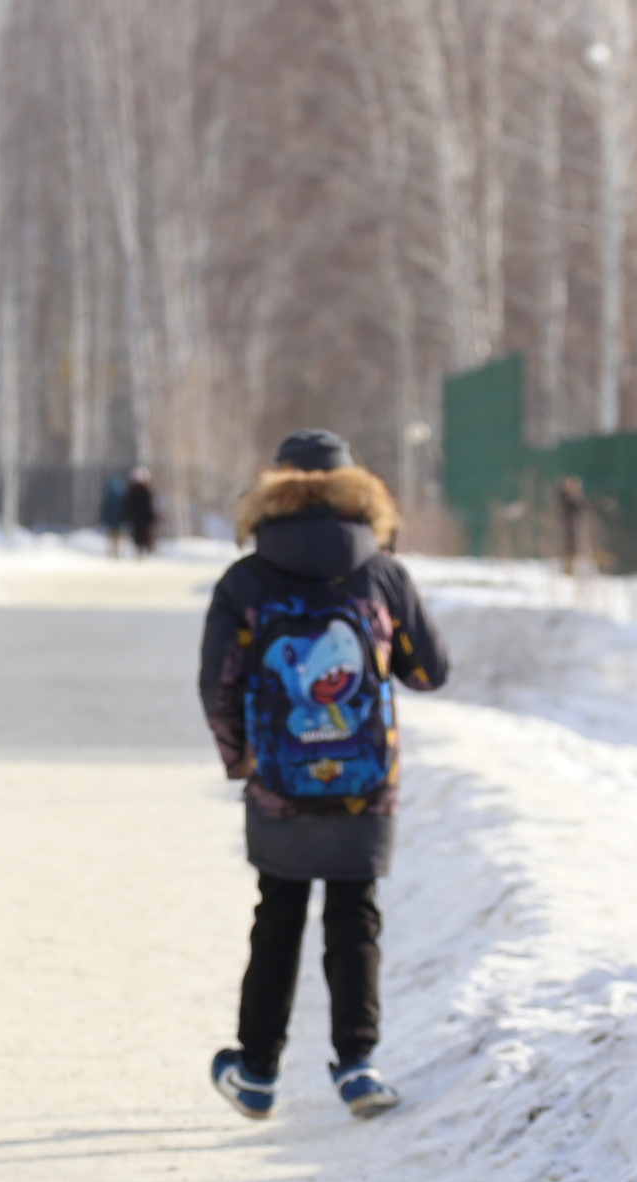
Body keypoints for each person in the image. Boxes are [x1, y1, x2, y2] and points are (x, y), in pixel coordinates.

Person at [200, 428, 448, 1121]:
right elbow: (431, 671)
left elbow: (217, 686)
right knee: (354, 910)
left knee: (277, 911)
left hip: (280, 779)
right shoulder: (382, 574)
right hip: (365, 784)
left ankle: (255, 1070)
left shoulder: (246, 581)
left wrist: (242, 758)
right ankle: (359, 1066)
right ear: (358, 491)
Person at [121, 465, 161, 557]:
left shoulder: (134, 492)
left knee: (139, 534)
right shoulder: (144, 492)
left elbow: (129, 505)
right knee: (141, 534)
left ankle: (140, 550)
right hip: (142, 518)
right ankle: (141, 550)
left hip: (138, 518)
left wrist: (127, 515)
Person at [554, 474, 589, 575]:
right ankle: (568, 569)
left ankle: (572, 569)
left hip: (574, 526)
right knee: (569, 548)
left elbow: (582, 508)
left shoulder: (574, 498)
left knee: (575, 548)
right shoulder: (565, 498)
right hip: (566, 526)